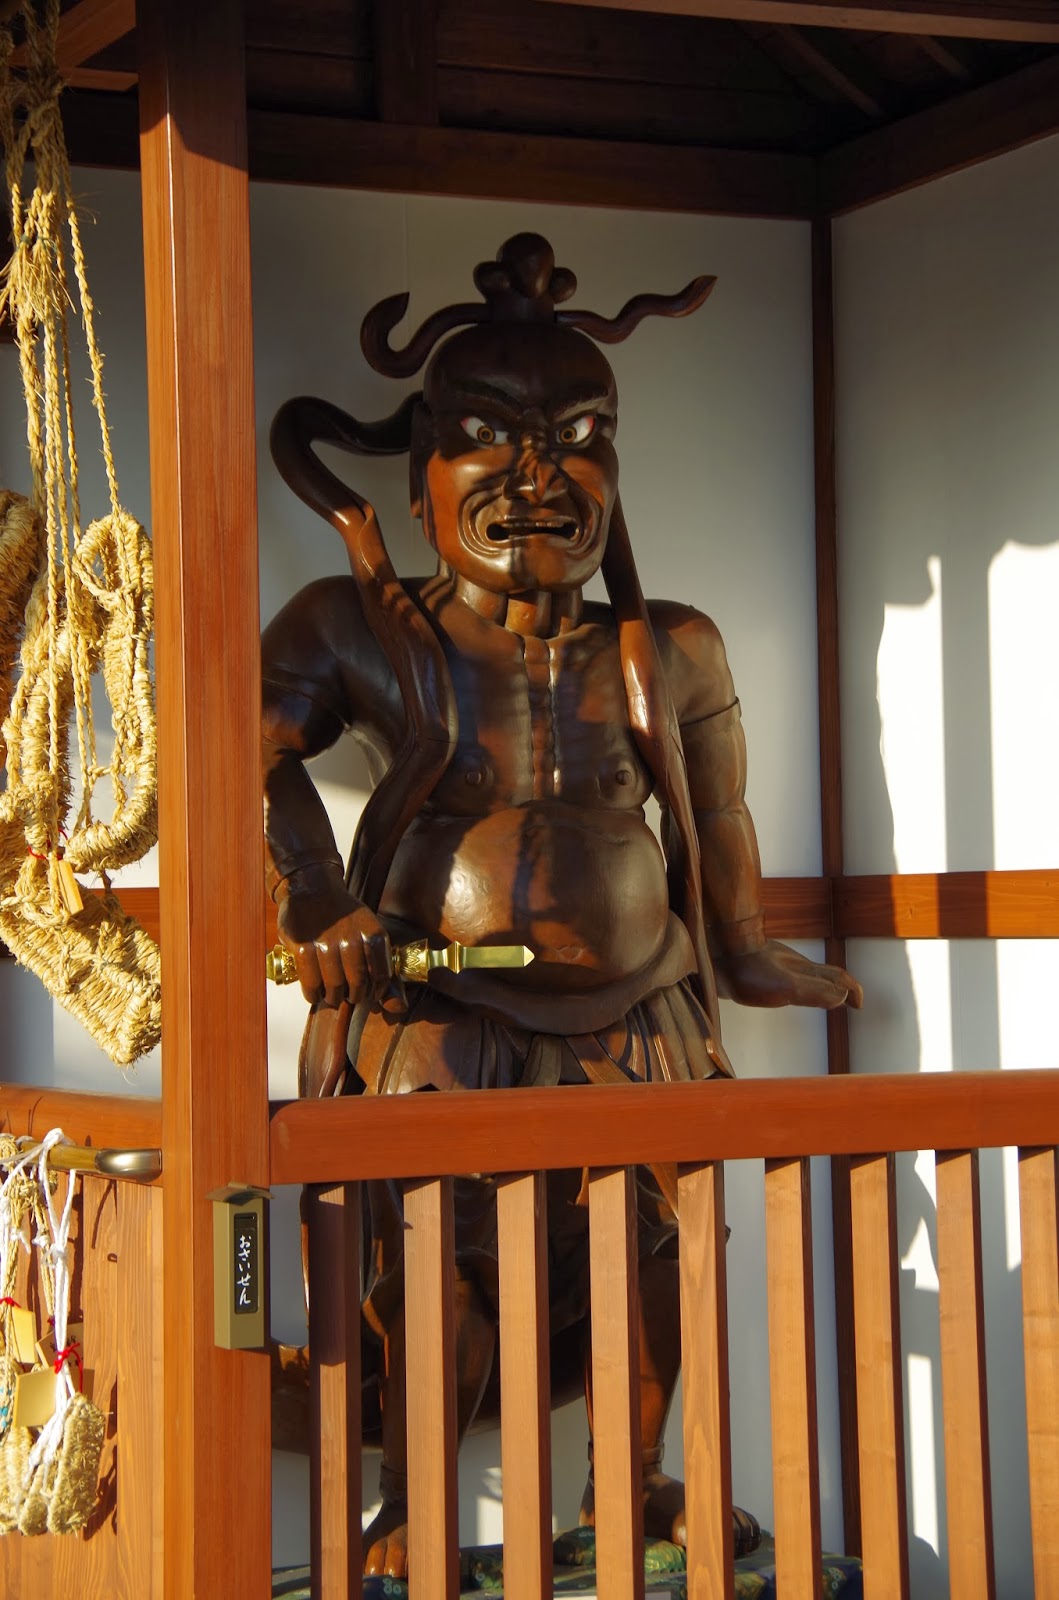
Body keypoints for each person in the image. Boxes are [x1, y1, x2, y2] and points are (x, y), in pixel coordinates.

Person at [262, 233, 860, 1578]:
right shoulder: (354, 625)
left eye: (579, 439)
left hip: (643, 1005)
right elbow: (246, 755)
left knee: (660, 1249)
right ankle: (416, 1499)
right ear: (420, 473)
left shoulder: (671, 645)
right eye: (488, 436)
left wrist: (748, 953)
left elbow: (717, 821)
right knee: (442, 1256)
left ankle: (630, 1485)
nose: (537, 477)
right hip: (442, 1005)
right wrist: (316, 901)